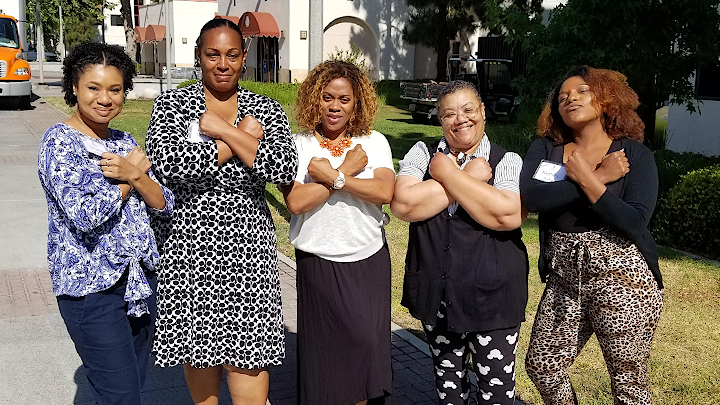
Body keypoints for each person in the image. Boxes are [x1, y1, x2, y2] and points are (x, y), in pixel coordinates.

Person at [145, 18, 298, 405]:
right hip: (190, 249)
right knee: (199, 355)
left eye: (232, 55)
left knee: (248, 360)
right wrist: (243, 142)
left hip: (248, 251)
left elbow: (281, 166)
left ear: (244, 57)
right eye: (213, 54)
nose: (223, 63)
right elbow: (172, 164)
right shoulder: (172, 105)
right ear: (199, 56)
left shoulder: (264, 108)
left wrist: (223, 130)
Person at [37, 42, 174, 404]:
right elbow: (84, 214)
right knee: (121, 394)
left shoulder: (123, 140)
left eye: (115, 89)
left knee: (124, 389)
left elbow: (163, 204)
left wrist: (136, 176)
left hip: (139, 284)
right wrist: (131, 180)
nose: (105, 98)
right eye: (94, 88)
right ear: (74, 88)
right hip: (91, 291)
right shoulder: (59, 143)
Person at [520, 66, 664, 405]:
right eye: (562, 96)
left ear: (606, 98)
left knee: (628, 385)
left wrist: (587, 181)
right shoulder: (546, 149)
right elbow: (533, 198)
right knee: (542, 365)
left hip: (624, 280)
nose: (570, 98)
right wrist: (596, 175)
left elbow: (634, 221)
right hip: (564, 279)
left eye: (582, 91)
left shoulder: (634, 156)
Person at [391, 80, 528, 405]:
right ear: (439, 119)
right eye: (449, 113)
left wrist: (449, 174)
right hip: (440, 300)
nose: (460, 119)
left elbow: (506, 215)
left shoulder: (506, 159)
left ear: (482, 112)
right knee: (449, 392)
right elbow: (404, 205)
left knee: (495, 395)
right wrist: (471, 177)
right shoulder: (422, 153)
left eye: (468, 110)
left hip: (493, 302)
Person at [280, 60, 395, 405]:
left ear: (357, 102)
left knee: (364, 345)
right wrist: (348, 172)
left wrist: (334, 177)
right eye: (327, 97)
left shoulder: (373, 142)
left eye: (344, 99)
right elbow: (297, 202)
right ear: (315, 98)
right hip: (318, 261)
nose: (334, 106)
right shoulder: (297, 144)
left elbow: (384, 192)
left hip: (369, 258)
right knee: (326, 355)